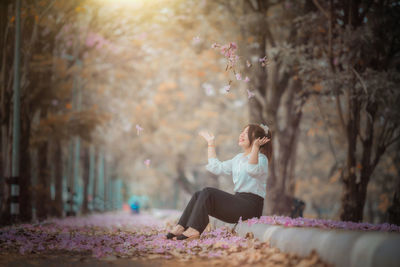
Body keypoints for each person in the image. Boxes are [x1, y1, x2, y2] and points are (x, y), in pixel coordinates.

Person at [165, 123, 272, 241]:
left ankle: (195, 229)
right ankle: (181, 226)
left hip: (251, 207)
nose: (241, 135)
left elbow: (252, 171)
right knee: (198, 195)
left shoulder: (262, 159)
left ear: (257, 139)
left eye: (246, 133)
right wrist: (211, 144)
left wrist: (256, 149)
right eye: (242, 132)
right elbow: (216, 167)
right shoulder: (238, 159)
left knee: (208, 192)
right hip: (239, 202)